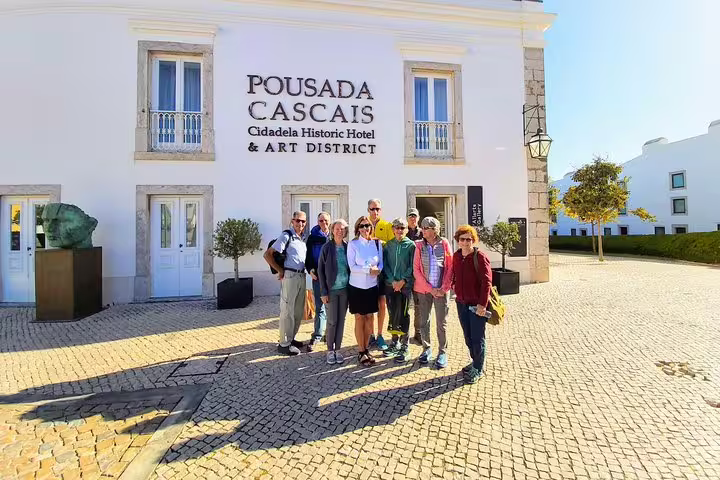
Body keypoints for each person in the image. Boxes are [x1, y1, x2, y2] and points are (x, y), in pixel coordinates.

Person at [263, 211, 308, 356]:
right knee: (287, 311)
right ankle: (283, 344)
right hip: (290, 276)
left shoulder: (302, 239)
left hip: (301, 276)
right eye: (297, 221)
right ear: (292, 221)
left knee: (298, 311)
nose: (300, 224)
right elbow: (268, 254)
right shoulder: (286, 235)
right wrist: (280, 271)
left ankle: (291, 339)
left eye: (303, 221)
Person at [452, 225, 492, 384]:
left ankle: (478, 368)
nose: (465, 242)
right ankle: (475, 361)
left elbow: (487, 282)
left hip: (477, 305)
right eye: (462, 239)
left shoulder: (479, 257)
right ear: (458, 241)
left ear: (473, 240)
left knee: (477, 337)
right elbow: (454, 275)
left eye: (469, 239)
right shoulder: (456, 256)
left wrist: (483, 304)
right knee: (468, 336)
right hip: (461, 303)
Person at [413, 216, 453, 368]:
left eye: (426, 228)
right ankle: (426, 348)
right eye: (422, 227)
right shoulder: (419, 245)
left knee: (441, 323)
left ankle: (442, 352)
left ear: (435, 230)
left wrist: (443, 288)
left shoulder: (444, 243)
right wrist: (431, 289)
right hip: (424, 291)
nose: (423, 230)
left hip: (442, 291)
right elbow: (416, 270)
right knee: (424, 321)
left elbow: (450, 266)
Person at [347, 216, 383, 367]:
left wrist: (378, 270)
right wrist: (369, 270)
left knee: (370, 318)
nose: (365, 228)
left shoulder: (377, 243)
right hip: (357, 286)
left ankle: (367, 348)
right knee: (359, 318)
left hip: (371, 287)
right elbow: (352, 267)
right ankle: (361, 351)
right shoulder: (353, 244)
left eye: (367, 225)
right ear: (357, 228)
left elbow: (380, 263)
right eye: (362, 226)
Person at [381, 218, 416, 363]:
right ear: (393, 229)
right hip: (391, 285)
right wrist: (392, 281)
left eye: (402, 228)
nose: (399, 230)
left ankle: (405, 345)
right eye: (397, 228)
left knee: (404, 315)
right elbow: (386, 265)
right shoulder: (388, 246)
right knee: (392, 313)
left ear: (406, 229)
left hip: (405, 287)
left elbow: (412, 265)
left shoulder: (411, 245)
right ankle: (394, 343)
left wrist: (403, 281)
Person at [317, 219, 350, 365]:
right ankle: (330, 350)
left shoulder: (347, 247)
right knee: (331, 321)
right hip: (331, 291)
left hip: (345, 290)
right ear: (332, 230)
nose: (340, 231)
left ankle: (338, 349)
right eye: (337, 228)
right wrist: (323, 291)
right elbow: (321, 271)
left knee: (341, 321)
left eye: (342, 229)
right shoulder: (326, 247)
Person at [367, 199, 393, 351]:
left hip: (382, 272)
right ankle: (370, 334)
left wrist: (380, 242)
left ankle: (380, 333)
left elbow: (390, 245)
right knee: (370, 305)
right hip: (368, 272)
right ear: (368, 210)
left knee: (382, 304)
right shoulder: (364, 224)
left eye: (377, 209)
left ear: (380, 210)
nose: (375, 211)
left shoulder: (387, 225)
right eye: (372, 209)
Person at [305, 212, 331, 350]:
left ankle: (330, 335)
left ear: (330, 221)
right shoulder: (312, 237)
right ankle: (317, 335)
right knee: (320, 307)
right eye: (321, 221)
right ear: (317, 221)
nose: (324, 223)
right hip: (318, 277)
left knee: (331, 307)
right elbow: (307, 256)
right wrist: (310, 270)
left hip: (332, 278)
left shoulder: (334, 235)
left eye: (326, 221)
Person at [405, 207, 423, 344]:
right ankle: (403, 333)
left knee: (419, 306)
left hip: (419, 276)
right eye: (410, 216)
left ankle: (418, 332)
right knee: (405, 305)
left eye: (414, 216)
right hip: (406, 275)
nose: (412, 218)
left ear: (418, 218)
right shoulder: (402, 233)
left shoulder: (423, 233)